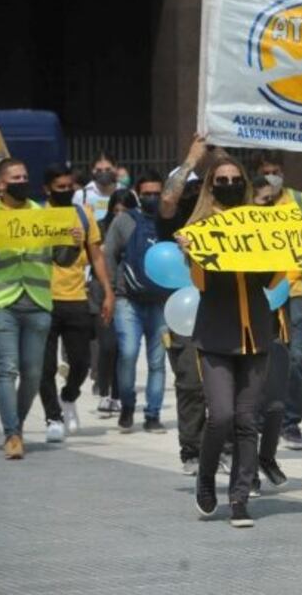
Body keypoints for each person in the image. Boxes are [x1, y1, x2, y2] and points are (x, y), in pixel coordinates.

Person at [178, 156, 284, 528]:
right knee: (221, 414)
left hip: (255, 330)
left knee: (246, 420)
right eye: (221, 180)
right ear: (211, 185)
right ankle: (205, 477)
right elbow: (201, 285)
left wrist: (293, 245)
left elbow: (271, 282)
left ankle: (239, 498)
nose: (229, 184)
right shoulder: (201, 225)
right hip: (216, 332)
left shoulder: (260, 222)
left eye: (235, 178)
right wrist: (193, 254)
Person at [0, 158, 79, 459]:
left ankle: (17, 425)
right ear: (0, 184)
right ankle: (11, 434)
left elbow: (61, 259)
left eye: (25, 176)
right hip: (0, 302)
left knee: (33, 374)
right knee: (7, 368)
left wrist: (73, 244)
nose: (22, 181)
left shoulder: (43, 215)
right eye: (15, 177)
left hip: (37, 301)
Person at [38, 166, 115, 442]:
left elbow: (96, 257)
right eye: (60, 187)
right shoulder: (36, 215)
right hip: (42, 299)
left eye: (69, 186)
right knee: (44, 367)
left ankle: (68, 396)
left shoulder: (84, 214)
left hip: (76, 299)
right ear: (47, 189)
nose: (66, 191)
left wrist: (108, 291)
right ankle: (53, 417)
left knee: (81, 362)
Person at [159, 136, 213, 472]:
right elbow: (167, 200)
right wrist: (191, 161)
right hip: (185, 309)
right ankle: (191, 449)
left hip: (224, 304)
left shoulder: (228, 211)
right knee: (191, 383)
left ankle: (223, 446)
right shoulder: (172, 219)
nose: (194, 196)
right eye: (189, 190)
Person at [253, 151, 302, 451]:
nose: (273, 176)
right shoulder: (252, 201)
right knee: (263, 358)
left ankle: (291, 423)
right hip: (261, 290)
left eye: (277, 171)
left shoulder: (300, 201)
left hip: (294, 291)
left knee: (296, 358)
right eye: (267, 171)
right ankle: (264, 419)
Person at [104, 169, 170, 434]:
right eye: (147, 194)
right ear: (137, 195)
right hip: (127, 300)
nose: (152, 198)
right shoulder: (123, 221)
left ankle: (152, 414)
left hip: (161, 302)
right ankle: (128, 404)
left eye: (157, 193)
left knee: (157, 362)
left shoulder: (171, 221)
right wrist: (112, 289)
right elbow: (109, 254)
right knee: (128, 354)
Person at [93, 189, 138, 418]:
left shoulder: (136, 228)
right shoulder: (99, 228)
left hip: (126, 293)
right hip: (102, 290)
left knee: (122, 348)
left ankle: (117, 395)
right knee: (107, 345)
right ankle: (103, 391)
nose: (120, 215)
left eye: (125, 211)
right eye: (116, 210)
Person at [73, 151, 119, 221]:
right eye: (99, 170)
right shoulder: (81, 195)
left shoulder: (126, 192)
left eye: (108, 169)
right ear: (92, 170)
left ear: (115, 168)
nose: (104, 173)